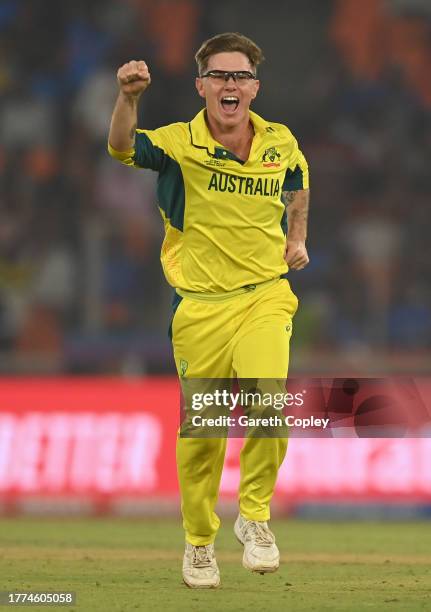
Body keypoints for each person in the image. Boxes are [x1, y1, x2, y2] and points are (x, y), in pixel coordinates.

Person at [108, 32, 310, 589]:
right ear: (201, 86)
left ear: (254, 87)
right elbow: (121, 148)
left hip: (265, 294)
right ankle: (199, 543)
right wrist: (128, 99)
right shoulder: (178, 143)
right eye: (219, 75)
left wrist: (297, 237)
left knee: (269, 400)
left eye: (240, 76)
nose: (230, 84)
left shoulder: (280, 140)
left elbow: (296, 184)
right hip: (199, 308)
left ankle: (255, 517)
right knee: (203, 435)